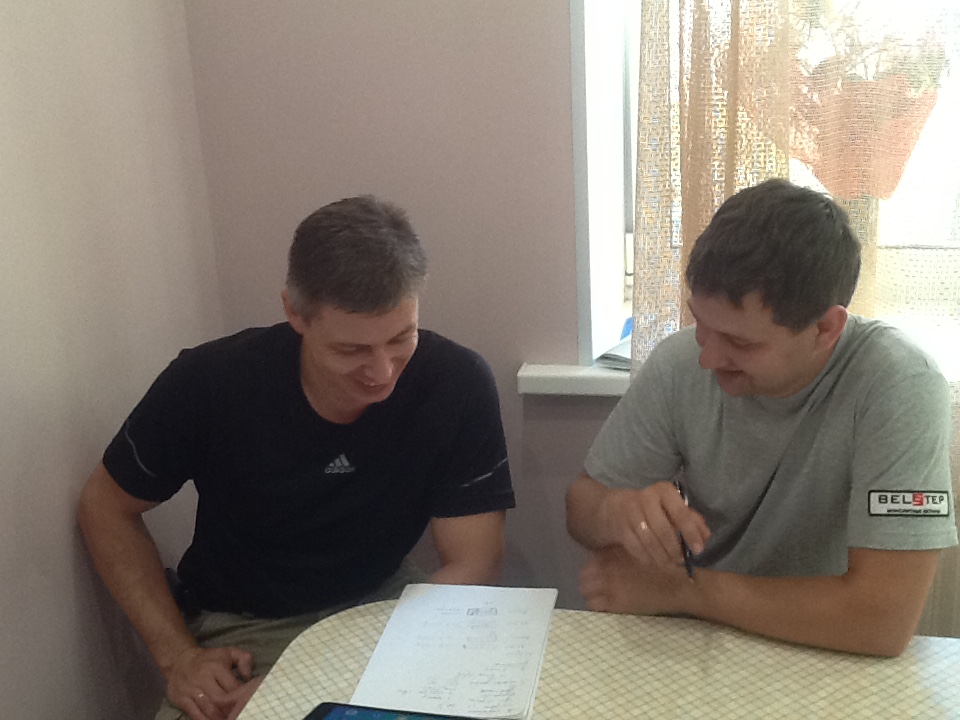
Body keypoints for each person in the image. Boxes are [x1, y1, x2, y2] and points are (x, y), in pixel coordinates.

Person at [77, 196, 515, 720]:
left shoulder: (457, 381)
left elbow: (474, 563)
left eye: (402, 338)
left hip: (388, 609)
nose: (382, 373)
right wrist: (178, 657)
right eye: (351, 350)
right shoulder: (210, 382)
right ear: (294, 314)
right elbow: (105, 505)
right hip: (244, 627)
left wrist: (309, 679)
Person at [566, 178, 956, 658]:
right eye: (700, 323)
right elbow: (581, 507)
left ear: (825, 329)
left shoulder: (901, 383)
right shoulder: (678, 362)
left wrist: (684, 591)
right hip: (693, 646)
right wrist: (614, 512)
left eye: (740, 343)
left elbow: (882, 621)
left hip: (827, 653)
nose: (708, 357)